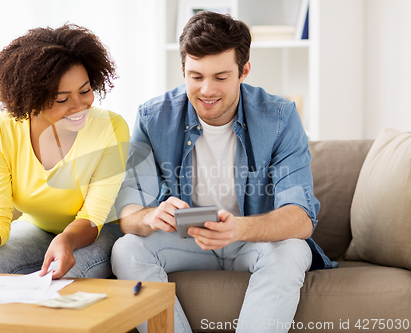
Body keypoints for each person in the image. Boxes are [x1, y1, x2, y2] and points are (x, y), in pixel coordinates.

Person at [111, 11, 336, 333]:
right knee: (127, 248)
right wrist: (148, 217)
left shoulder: (280, 117)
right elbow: (128, 210)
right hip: (186, 241)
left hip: (251, 239)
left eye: (220, 77)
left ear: (243, 71)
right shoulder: (152, 117)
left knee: (292, 249)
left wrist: (238, 229)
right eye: (196, 76)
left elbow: (300, 217)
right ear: (183, 69)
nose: (206, 90)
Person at [0, 24, 129, 281]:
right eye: (63, 99)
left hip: (98, 232)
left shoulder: (110, 127)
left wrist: (66, 239)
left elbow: (93, 217)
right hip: (37, 229)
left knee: (62, 277)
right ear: (33, 98)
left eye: (85, 91)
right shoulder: (1, 129)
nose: (80, 106)